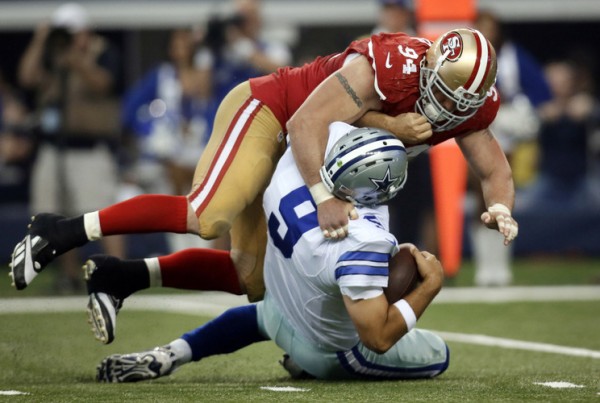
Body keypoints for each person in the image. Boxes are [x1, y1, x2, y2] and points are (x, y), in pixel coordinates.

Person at [10, 28, 518, 307]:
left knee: (251, 279)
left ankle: (122, 276)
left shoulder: (469, 108)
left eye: (462, 104)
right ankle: (60, 230)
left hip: (310, 146)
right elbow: (305, 122)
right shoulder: (387, 64)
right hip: (272, 112)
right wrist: (325, 196)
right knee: (209, 214)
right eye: (444, 95)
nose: (448, 111)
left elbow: (493, 169)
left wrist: (500, 207)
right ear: (427, 67)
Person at [92, 122, 449, 382]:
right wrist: (430, 285)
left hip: (278, 308)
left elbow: (318, 118)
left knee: (262, 311)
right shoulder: (363, 241)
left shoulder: (295, 161)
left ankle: (171, 354)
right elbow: (378, 337)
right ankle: (309, 364)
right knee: (439, 353)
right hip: (329, 351)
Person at [16, 2, 125, 292]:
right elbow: (27, 77)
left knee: (103, 215)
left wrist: (76, 59)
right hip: (54, 148)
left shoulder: (104, 52)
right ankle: (69, 277)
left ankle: (119, 273)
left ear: (85, 32)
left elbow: (104, 84)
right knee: (53, 214)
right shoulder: (52, 55)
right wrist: (40, 40)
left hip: (90, 148)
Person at [472, 11, 551, 286]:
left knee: (502, 198)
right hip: (473, 129)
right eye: (481, 28)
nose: (487, 33)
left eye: (490, 28)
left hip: (506, 130)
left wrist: (514, 101)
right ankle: (484, 267)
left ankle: (501, 267)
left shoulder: (513, 56)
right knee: (479, 199)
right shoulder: (466, 57)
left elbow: (541, 92)